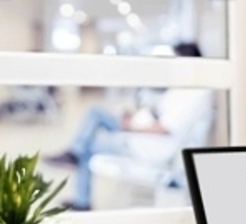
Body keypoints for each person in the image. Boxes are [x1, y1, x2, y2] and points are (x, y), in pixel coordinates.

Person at [45, 42, 213, 210]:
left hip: (148, 145)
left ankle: (80, 190)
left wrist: (129, 127)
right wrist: (138, 115)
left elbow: (164, 128)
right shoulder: (185, 88)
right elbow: (162, 114)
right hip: (142, 133)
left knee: (89, 145)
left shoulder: (192, 94)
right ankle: (75, 154)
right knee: (96, 114)